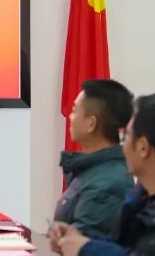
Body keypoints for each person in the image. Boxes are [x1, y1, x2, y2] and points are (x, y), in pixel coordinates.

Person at [52, 93, 155, 256]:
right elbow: (122, 249)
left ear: (143, 148)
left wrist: (85, 251)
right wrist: (77, 240)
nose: (121, 147)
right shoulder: (141, 198)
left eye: (125, 138)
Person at [51, 79, 134, 240]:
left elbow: (81, 246)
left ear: (91, 124)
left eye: (74, 111)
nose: (70, 117)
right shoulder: (93, 170)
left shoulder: (108, 184)